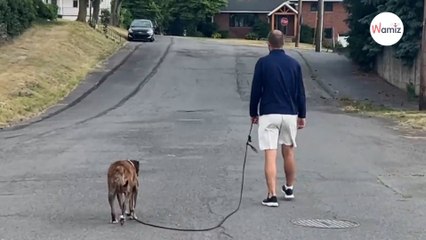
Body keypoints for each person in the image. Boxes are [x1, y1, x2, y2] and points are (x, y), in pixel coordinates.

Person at [249, 30, 306, 207]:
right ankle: (289, 188)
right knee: (288, 152)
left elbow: (256, 90)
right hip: (289, 113)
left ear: (269, 44)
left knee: (270, 154)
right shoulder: (294, 64)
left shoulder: (263, 63)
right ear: (284, 44)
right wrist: (302, 115)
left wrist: (253, 112)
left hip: (269, 113)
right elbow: (300, 93)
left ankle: (272, 195)